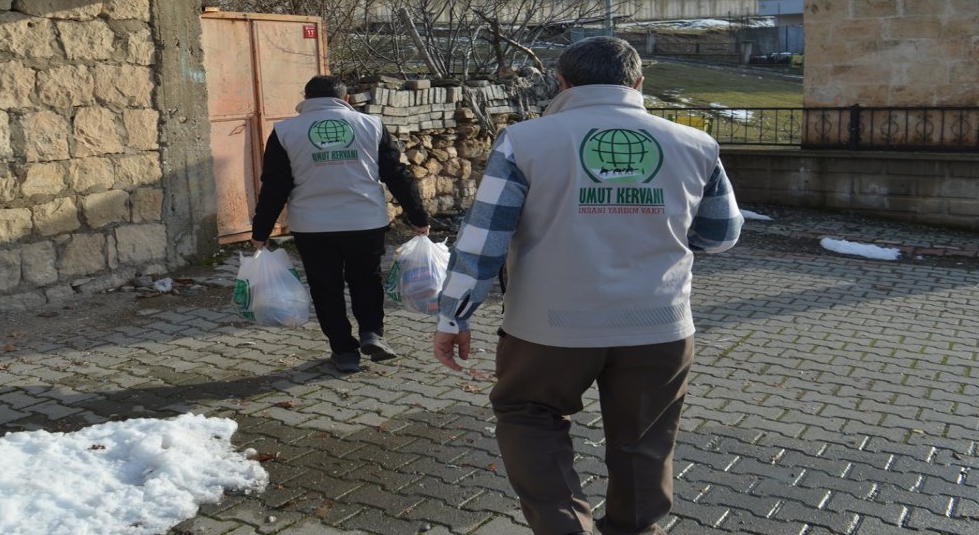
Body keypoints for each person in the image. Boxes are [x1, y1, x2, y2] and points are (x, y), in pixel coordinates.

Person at [433, 37, 743, 535]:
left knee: (529, 416)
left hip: (548, 328)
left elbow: (484, 240)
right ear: (639, 83)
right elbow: (721, 235)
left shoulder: (526, 141)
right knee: (644, 439)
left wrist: (455, 316)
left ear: (562, 82)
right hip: (659, 325)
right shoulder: (696, 144)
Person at [251, 75, 430, 374]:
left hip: (313, 227)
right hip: (365, 222)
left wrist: (261, 232)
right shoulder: (371, 125)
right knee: (367, 279)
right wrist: (418, 217)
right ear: (345, 99)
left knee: (326, 288)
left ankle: (344, 351)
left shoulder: (285, 131)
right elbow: (397, 174)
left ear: (305, 99)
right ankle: (372, 333)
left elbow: (274, 186)